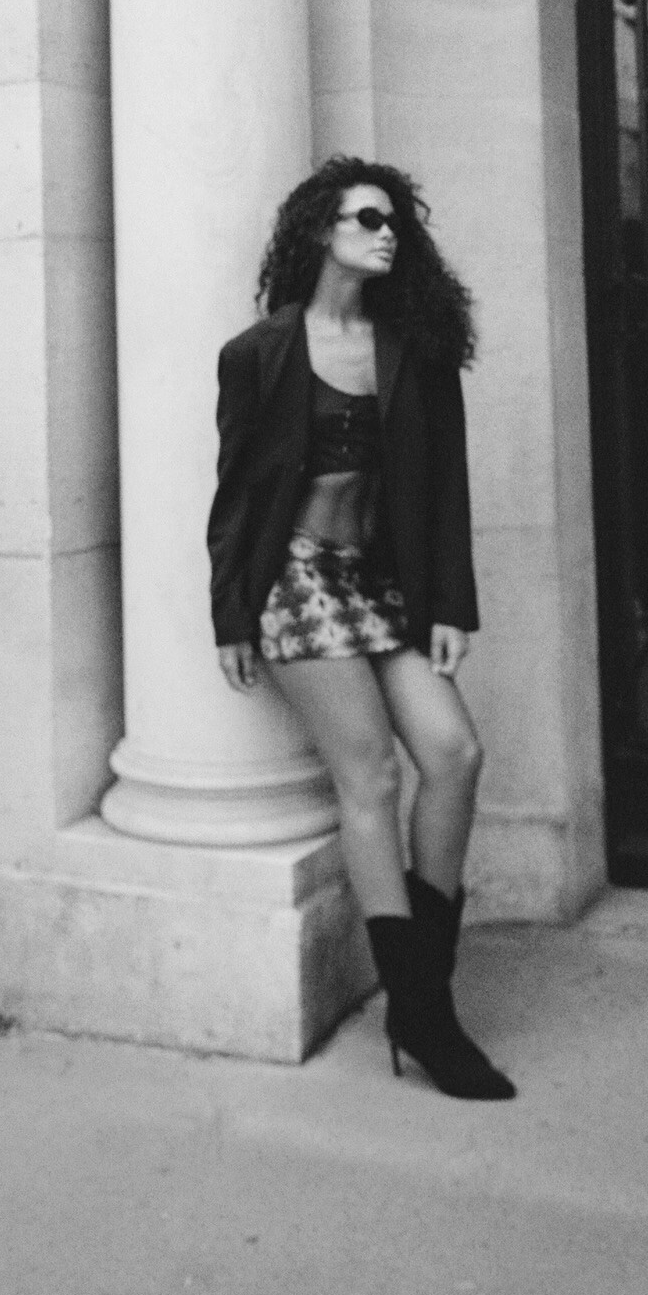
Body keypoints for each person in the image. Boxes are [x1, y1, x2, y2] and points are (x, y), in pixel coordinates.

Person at [207, 156, 514, 1101]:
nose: (388, 235)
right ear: (321, 231)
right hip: (297, 575)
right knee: (372, 773)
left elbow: (446, 486)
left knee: (454, 753)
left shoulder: (414, 349)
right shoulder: (259, 354)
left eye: (395, 224)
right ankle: (426, 1012)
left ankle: (418, 993)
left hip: (386, 579)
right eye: (368, 219)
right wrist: (231, 613)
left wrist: (450, 604)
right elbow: (237, 495)